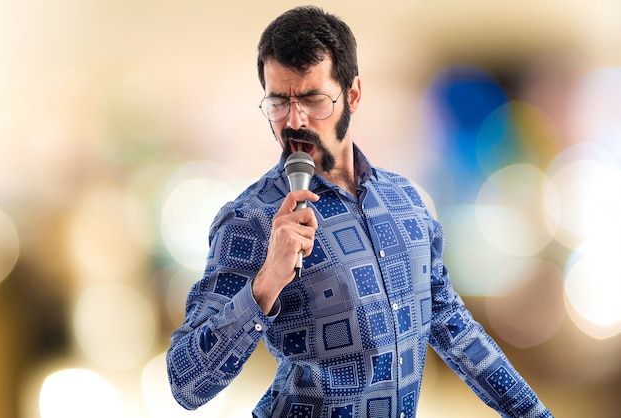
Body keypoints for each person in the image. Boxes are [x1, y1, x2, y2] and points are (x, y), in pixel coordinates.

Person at [166, 6, 553, 418]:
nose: (294, 120)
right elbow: (185, 383)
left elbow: (455, 330)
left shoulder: (406, 204)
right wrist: (264, 287)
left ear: (352, 94)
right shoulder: (253, 219)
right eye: (279, 102)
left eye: (313, 99)